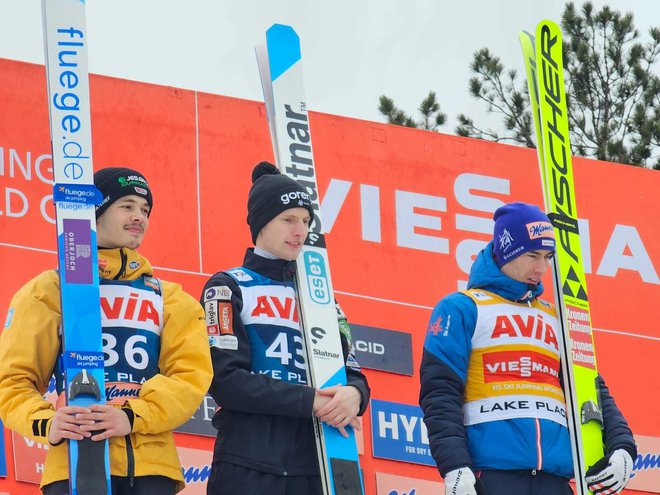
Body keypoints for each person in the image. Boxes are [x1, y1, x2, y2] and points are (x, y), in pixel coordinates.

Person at [0, 167, 213, 495]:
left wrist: (131, 416)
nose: (139, 217)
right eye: (126, 205)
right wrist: (46, 423)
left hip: (151, 470)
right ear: (96, 213)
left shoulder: (171, 298)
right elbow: (13, 381)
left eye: (145, 210)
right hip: (72, 464)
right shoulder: (50, 289)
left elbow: (189, 377)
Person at [419, 202, 637, 495]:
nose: (542, 269)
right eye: (532, 255)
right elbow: (440, 393)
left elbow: (591, 389)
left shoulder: (556, 315)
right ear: (505, 248)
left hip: (556, 481)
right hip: (492, 478)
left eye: (548, 257)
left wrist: (623, 446)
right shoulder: (463, 308)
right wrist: (455, 466)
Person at [201, 161, 370, 495]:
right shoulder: (228, 286)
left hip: (319, 468)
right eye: (288, 219)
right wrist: (310, 401)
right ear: (262, 222)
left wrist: (355, 395)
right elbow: (225, 380)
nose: (300, 231)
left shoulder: (321, 298)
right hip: (247, 466)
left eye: (306, 221)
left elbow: (351, 372)